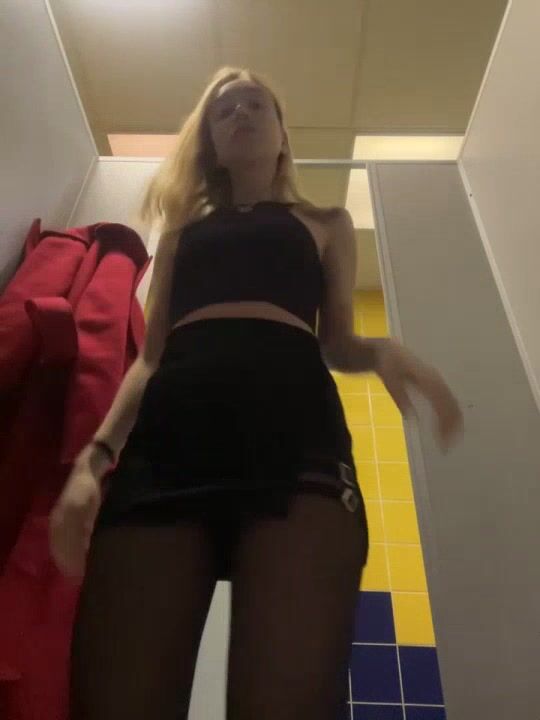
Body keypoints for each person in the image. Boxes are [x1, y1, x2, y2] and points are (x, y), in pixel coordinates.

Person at [50, 66, 463, 720]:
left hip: (297, 445)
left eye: (255, 105)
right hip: (167, 449)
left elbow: (336, 342)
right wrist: (92, 462)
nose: (240, 113)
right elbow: (150, 358)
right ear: (210, 143)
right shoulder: (182, 233)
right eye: (224, 110)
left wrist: (381, 351)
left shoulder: (326, 222)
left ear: (282, 135)